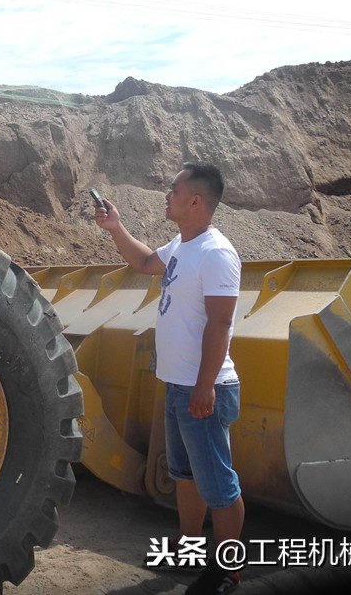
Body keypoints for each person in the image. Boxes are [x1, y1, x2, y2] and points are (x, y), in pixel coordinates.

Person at [94, 162, 244, 595]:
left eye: (172, 189)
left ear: (195, 200)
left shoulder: (216, 254)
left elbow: (220, 324)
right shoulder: (183, 243)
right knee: (185, 474)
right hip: (179, 384)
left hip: (205, 388)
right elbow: (144, 262)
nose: (166, 193)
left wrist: (204, 386)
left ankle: (228, 568)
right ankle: (190, 547)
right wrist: (115, 227)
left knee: (218, 484)